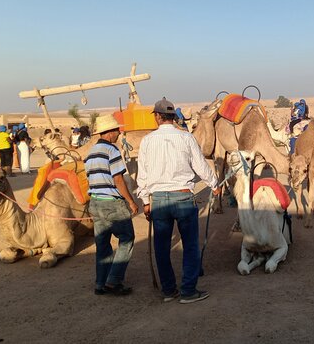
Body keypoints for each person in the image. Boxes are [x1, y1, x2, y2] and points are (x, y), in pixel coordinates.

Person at [137, 97, 221, 304]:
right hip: (183, 197)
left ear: (157, 117)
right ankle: (188, 291)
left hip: (159, 201)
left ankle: (168, 290)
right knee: (190, 246)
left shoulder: (147, 141)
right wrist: (214, 184)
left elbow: (143, 175)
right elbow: (201, 166)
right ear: (173, 116)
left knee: (162, 247)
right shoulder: (187, 138)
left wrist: (146, 201)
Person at [85, 114, 139, 296]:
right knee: (127, 239)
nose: (118, 133)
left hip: (95, 203)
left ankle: (100, 283)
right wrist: (131, 201)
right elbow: (118, 179)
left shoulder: (90, 153)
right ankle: (114, 280)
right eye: (116, 130)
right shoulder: (112, 151)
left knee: (103, 245)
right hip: (112, 204)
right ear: (109, 132)